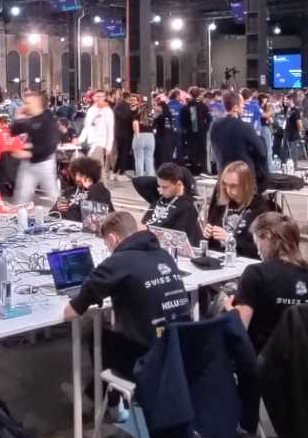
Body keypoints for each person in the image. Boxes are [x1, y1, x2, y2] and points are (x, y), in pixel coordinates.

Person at [62, 211, 191, 377]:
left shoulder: (115, 263)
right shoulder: (164, 255)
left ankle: (99, 390)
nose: (109, 250)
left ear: (112, 239)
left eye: (107, 245)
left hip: (146, 362)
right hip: (181, 352)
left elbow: (70, 313)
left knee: (92, 331)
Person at [229, 212, 308, 352]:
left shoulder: (256, 274)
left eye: (257, 243)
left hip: (265, 360)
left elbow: (238, 332)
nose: (258, 251)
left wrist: (231, 312)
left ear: (267, 236)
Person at [203, 161, 279, 259]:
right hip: (218, 257)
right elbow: (212, 241)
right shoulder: (221, 204)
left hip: (245, 260)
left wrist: (230, 239)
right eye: (225, 185)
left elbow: (262, 249)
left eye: (233, 186)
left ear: (245, 186)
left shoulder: (260, 209)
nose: (228, 190)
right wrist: (207, 234)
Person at [8, 91, 62, 207]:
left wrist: (28, 153)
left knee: (53, 196)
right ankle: (19, 215)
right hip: (28, 164)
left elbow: (50, 146)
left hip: (44, 163)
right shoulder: (30, 119)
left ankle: (66, 213)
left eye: (29, 103)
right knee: (21, 196)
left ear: (37, 103)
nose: (26, 106)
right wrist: (17, 117)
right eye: (25, 103)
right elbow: (13, 132)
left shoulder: (48, 119)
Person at [209, 91, 270, 181]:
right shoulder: (244, 127)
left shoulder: (214, 125)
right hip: (243, 177)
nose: (244, 106)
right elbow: (262, 151)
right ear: (235, 108)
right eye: (242, 104)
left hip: (223, 174)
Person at [139, 162, 201, 246]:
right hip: (145, 238)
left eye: (165, 187)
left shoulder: (188, 206)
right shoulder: (161, 196)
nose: (160, 191)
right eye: (159, 186)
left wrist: (148, 232)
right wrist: (161, 181)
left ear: (179, 184)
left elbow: (177, 239)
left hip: (157, 243)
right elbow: (138, 181)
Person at [54, 155, 112, 222]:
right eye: (76, 174)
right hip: (61, 225)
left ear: (91, 175)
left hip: (81, 226)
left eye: (81, 175)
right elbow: (53, 213)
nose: (77, 178)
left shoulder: (100, 191)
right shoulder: (69, 191)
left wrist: (91, 188)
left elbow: (94, 222)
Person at [79, 90, 116, 166]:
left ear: (104, 98)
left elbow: (110, 130)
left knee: (95, 166)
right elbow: (86, 127)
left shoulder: (108, 111)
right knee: (95, 168)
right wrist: (80, 140)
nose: (99, 98)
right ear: (94, 97)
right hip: (90, 143)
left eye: (101, 96)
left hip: (100, 143)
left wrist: (108, 146)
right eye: (97, 96)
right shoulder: (91, 110)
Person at [131, 94, 158, 177]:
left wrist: (137, 134)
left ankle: (140, 177)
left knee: (139, 159)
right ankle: (150, 176)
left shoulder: (137, 115)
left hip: (140, 136)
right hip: (150, 137)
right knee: (149, 158)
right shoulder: (151, 116)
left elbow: (135, 124)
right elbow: (155, 129)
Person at [113, 90, 136, 179]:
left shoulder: (117, 106)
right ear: (128, 97)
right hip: (127, 133)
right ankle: (122, 171)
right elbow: (128, 118)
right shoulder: (128, 107)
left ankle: (115, 170)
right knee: (125, 152)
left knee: (120, 152)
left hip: (118, 132)